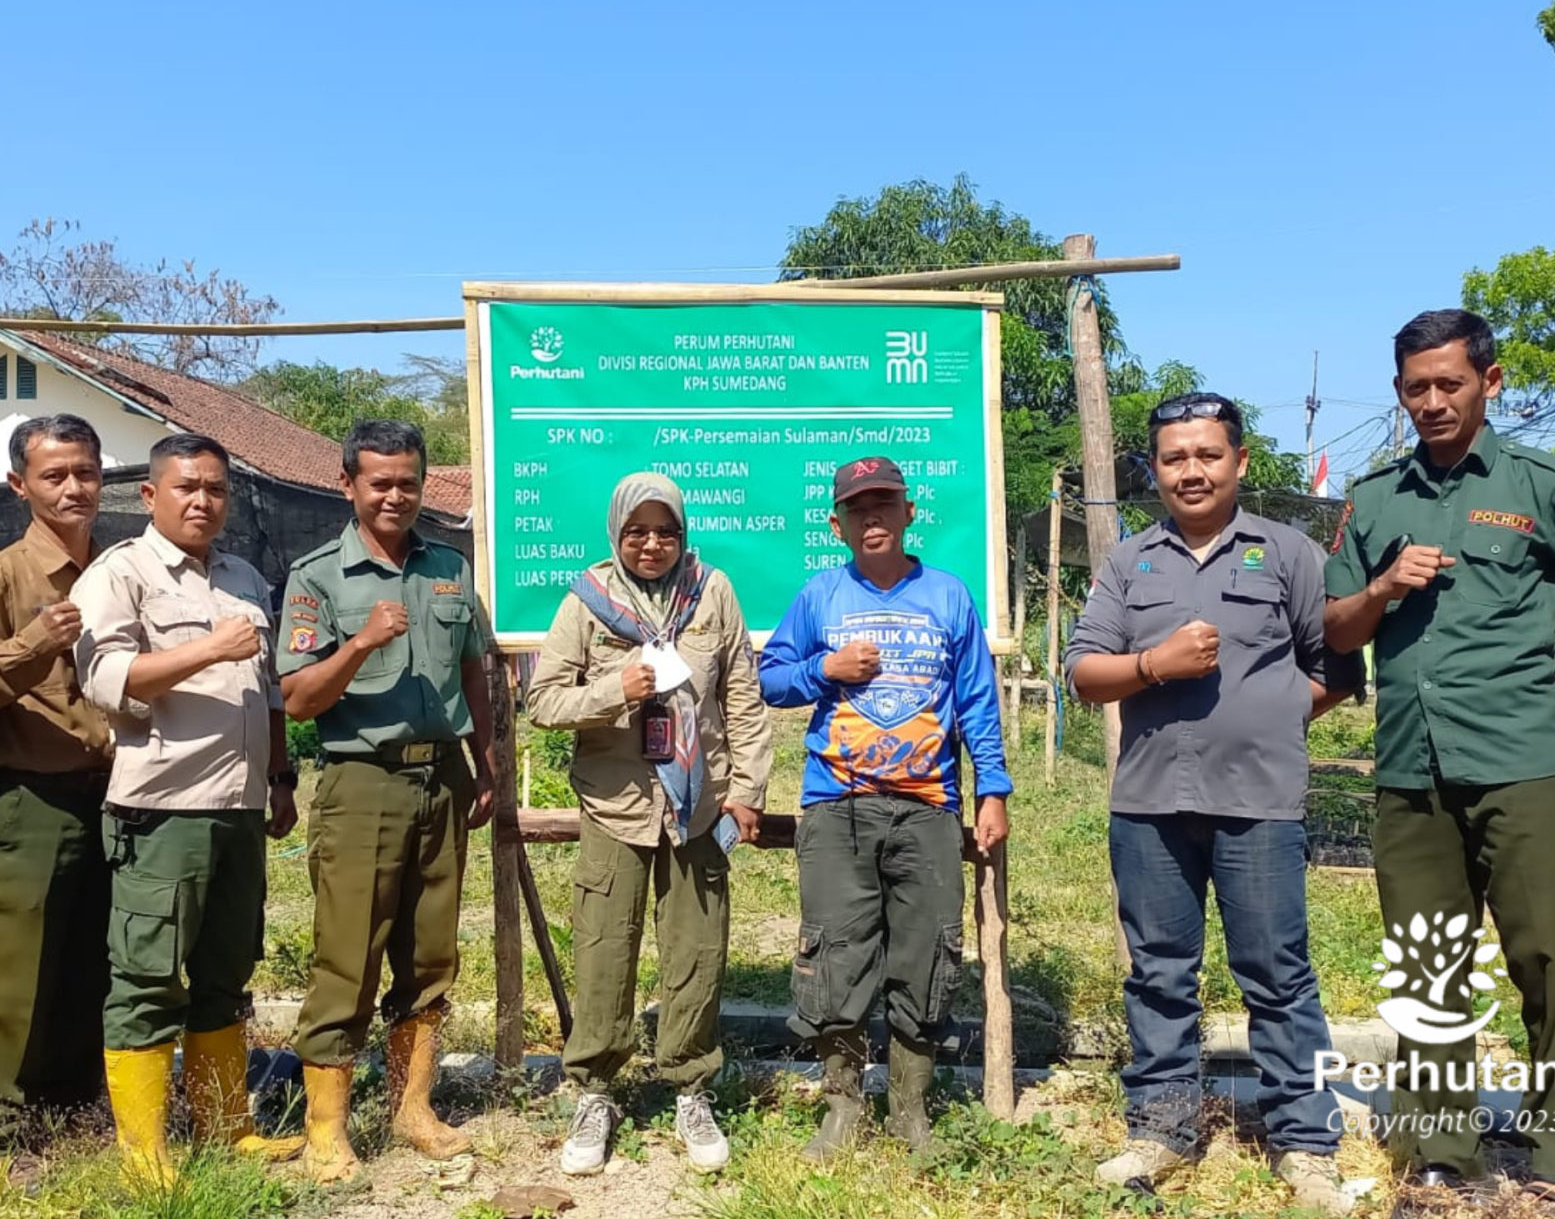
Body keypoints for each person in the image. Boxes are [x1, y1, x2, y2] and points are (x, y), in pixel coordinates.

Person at [1326, 310, 1555, 1215]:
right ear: (1399, 392)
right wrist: (1382, 587)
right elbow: (1337, 628)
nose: (1433, 401)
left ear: (1488, 384)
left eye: (1450, 383)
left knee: (1549, 957)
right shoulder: (1374, 495)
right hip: (1409, 772)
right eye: (1416, 386)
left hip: (1524, 764)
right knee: (1428, 969)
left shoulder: (1543, 484)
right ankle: (1439, 1148)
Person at [1063, 393, 1359, 1215]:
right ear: (1153, 470)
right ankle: (1161, 1129)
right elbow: (1085, 673)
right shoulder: (1131, 562)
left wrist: (1266, 718)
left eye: (1206, 454)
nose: (1190, 470)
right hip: (1151, 803)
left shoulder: (1291, 552)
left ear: (1239, 462)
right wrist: (1153, 663)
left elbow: (1333, 668)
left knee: (1277, 973)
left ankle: (1304, 1141)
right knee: (1159, 972)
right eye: (1172, 458)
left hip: (1261, 802)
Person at [758, 455, 1011, 1162]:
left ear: (908, 512)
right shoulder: (819, 596)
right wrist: (823, 670)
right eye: (858, 509)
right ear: (837, 524)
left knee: (925, 957)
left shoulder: (950, 596)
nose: (873, 519)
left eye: (885, 505)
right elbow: (770, 679)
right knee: (835, 957)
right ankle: (842, 1105)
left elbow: (977, 702)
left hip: (926, 805)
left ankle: (910, 1108)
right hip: (837, 805)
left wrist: (992, 787)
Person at [527, 473, 774, 1177]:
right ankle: (595, 1091)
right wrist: (616, 689)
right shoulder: (589, 600)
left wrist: (747, 789)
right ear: (617, 531)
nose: (652, 543)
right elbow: (542, 699)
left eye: (666, 530)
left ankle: (691, 1086)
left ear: (683, 533)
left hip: (698, 807)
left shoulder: (712, 591)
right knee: (605, 948)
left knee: (697, 951)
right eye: (638, 530)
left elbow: (743, 698)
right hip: (617, 805)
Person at [72, 433, 302, 1187]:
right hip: (162, 808)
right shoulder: (120, 574)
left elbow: (266, 690)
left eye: (216, 489)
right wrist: (209, 649)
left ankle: (226, 1126)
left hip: (238, 807)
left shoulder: (241, 577)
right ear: (150, 494)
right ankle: (144, 1154)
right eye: (187, 487)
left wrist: (280, 774)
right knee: (145, 977)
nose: (203, 501)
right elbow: (106, 679)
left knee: (226, 973)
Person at [276, 419, 497, 1184]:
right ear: (349, 485)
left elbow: (475, 669)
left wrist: (488, 757)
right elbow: (299, 699)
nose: (396, 494)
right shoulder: (317, 577)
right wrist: (361, 641)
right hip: (361, 780)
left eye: (408, 480)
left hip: (444, 777)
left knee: (431, 952)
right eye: (380, 481)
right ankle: (326, 1127)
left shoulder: (448, 567)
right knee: (347, 954)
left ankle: (413, 1107)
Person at [0, 414, 113, 1185]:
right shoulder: (2, 577)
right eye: (54, 474)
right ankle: (0, 1134)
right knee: (18, 969)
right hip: (30, 799)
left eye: (85, 471)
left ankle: (76, 1107)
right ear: (21, 485)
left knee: (91, 961)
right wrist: (32, 642)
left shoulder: (119, 569)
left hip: (112, 796)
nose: (73, 487)